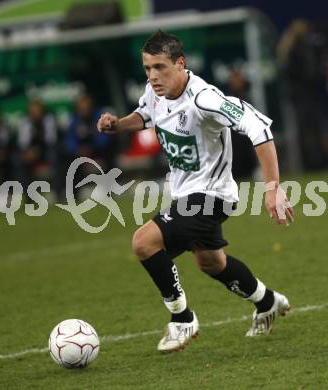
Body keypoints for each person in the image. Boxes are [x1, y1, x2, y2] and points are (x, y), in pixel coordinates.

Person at [97, 31, 294, 353]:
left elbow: (259, 128)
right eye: (147, 68)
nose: (153, 76)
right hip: (185, 194)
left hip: (211, 196)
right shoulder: (155, 91)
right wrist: (118, 124)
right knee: (211, 263)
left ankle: (182, 318)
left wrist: (273, 189)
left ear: (181, 64)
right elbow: (146, 115)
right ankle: (268, 301)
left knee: (144, 243)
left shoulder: (205, 99)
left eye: (160, 67)